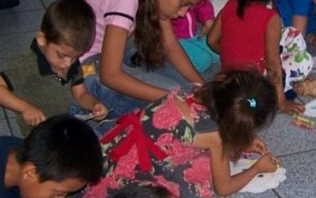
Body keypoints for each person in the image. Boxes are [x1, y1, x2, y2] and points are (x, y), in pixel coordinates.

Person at [82, 70, 280, 198]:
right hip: (131, 176)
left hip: (113, 149)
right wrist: (256, 168)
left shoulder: (193, 89)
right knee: (201, 186)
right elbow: (224, 188)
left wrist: (241, 143)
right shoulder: (215, 137)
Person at [69, 0, 214, 118]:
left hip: (119, 46)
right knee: (178, 99)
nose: (183, 13)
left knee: (191, 91)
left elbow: (170, 45)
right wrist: (175, 100)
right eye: (183, 3)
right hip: (87, 65)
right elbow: (110, 75)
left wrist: (202, 86)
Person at [207, 0, 316, 114]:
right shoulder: (271, 18)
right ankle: (285, 89)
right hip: (257, 82)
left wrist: (234, 54)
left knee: (290, 34)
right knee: (304, 59)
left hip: (232, 79)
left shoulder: (229, 6)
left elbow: (211, 41)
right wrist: (281, 101)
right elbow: (272, 62)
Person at [0, 0, 108, 136]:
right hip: (38, 131)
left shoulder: (71, 61)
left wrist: (94, 105)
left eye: (74, 57)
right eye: (61, 55)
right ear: (42, 39)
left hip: (62, 121)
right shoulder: (27, 63)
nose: (68, 63)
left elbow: (80, 94)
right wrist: (26, 108)